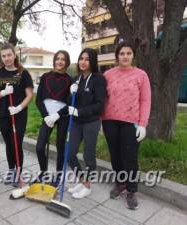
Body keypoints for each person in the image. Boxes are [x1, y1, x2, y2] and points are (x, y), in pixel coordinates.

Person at [101, 41, 151, 210]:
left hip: (131, 123)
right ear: (117, 56)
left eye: (128, 53)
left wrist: (142, 124)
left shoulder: (141, 75)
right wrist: (101, 119)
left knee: (130, 157)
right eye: (122, 53)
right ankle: (120, 184)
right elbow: (102, 98)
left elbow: (145, 101)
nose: (125, 56)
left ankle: (131, 190)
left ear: (133, 56)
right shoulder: (108, 74)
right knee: (115, 155)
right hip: (110, 121)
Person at [0, 42, 33, 187]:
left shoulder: (23, 73)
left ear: (14, 55)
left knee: (17, 143)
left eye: (9, 55)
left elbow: (29, 95)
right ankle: (11, 170)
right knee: (9, 143)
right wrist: (3, 92)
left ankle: (19, 173)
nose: (7, 58)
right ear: (1, 57)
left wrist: (19, 108)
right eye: (4, 56)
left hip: (18, 114)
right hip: (2, 113)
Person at [67, 48, 107, 198]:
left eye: (87, 59)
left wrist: (80, 111)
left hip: (91, 122)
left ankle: (87, 186)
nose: (83, 62)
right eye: (81, 58)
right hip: (76, 122)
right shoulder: (75, 79)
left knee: (88, 155)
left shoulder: (98, 79)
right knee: (70, 154)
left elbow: (99, 104)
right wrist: (71, 93)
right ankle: (82, 180)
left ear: (93, 61)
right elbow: (69, 102)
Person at [35, 50, 72, 187]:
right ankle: (43, 172)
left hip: (62, 117)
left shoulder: (70, 80)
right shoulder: (45, 76)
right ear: (54, 60)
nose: (60, 61)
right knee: (39, 147)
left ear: (67, 62)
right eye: (58, 58)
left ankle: (58, 175)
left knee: (60, 146)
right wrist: (46, 116)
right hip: (47, 116)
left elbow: (69, 103)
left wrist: (58, 115)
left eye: (63, 59)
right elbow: (38, 99)